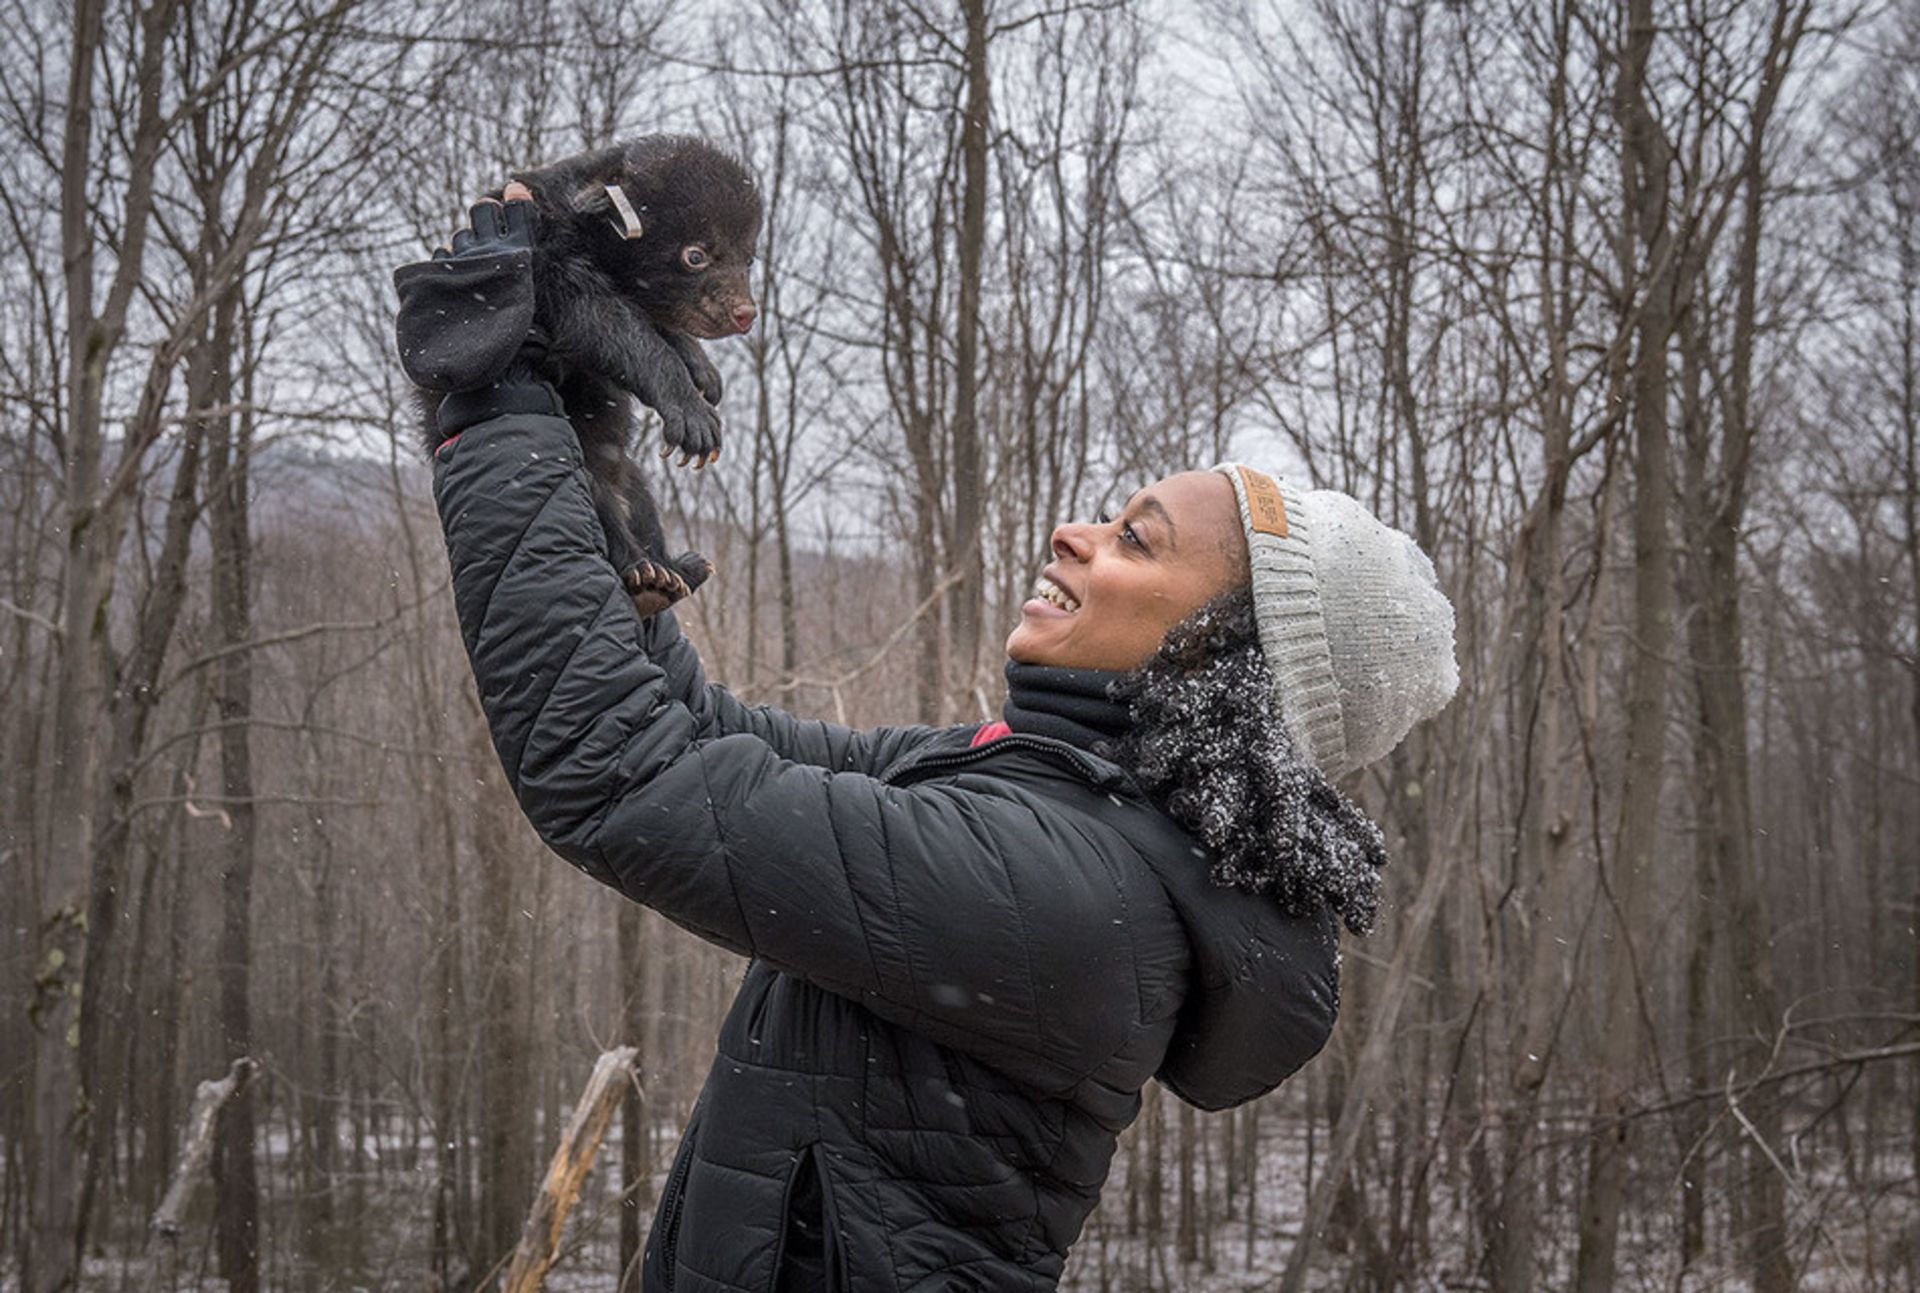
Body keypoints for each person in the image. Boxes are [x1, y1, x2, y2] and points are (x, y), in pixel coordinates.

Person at [399, 190, 1457, 1292]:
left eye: (1134, 540)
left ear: (1208, 656)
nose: (1073, 533)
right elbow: (695, 733)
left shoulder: (1061, 886)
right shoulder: (1037, 804)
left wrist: (493, 409)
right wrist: (569, 426)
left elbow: (622, 777)